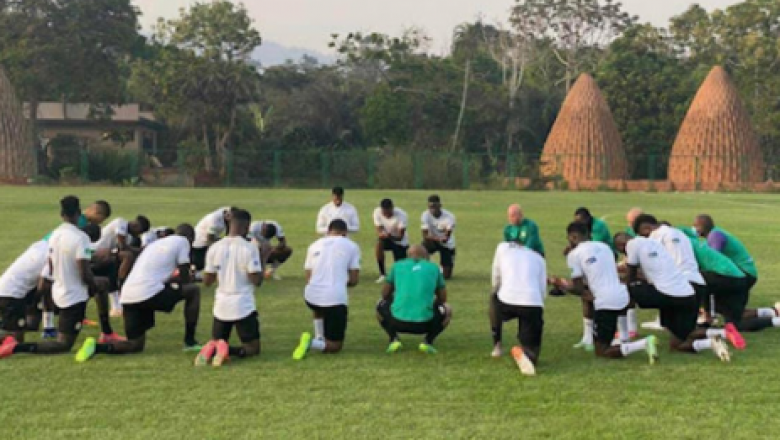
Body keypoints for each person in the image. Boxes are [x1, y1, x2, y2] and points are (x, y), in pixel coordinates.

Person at [0, 196, 117, 358]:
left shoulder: (55, 236)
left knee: (29, 325)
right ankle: (14, 344)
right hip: (16, 294)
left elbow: (47, 277)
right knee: (50, 342)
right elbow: (70, 273)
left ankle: (24, 333)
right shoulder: (76, 239)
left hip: (18, 290)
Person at [73, 224, 202, 362]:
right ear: (190, 238)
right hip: (148, 293)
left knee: (135, 344)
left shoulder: (155, 244)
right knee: (193, 291)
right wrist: (191, 278)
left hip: (128, 296)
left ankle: (96, 347)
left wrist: (173, 281)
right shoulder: (182, 241)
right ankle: (190, 341)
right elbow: (184, 276)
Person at [614, 232, 738, 361]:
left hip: (667, 294)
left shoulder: (632, 244)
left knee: (623, 293)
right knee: (677, 344)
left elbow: (631, 276)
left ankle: (623, 337)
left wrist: (618, 276)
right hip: (688, 295)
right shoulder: (654, 244)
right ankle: (711, 343)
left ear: (622, 245)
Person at [560, 222, 658, 363]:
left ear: (572, 237)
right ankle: (622, 337)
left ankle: (643, 344)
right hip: (623, 296)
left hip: (605, 303)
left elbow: (578, 289)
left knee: (601, 351)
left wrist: (561, 285)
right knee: (604, 331)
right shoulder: (604, 247)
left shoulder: (574, 255)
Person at [195, 209, 263, 367]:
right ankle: (230, 351)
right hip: (242, 304)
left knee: (218, 340)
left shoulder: (214, 247)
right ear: (246, 227)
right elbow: (256, 280)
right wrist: (262, 261)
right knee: (253, 348)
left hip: (221, 306)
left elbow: (207, 281)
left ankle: (212, 349)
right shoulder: (249, 248)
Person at [679, 227, 780, 332]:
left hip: (739, 277)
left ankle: (703, 319)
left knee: (699, 285)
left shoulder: (713, 237)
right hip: (738, 277)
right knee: (734, 322)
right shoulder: (698, 243)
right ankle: (773, 314)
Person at [40, 199, 112, 339]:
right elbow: (77, 249)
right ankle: (49, 324)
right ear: (96, 212)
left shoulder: (69, 225)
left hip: (52, 252)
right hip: (51, 254)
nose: (101, 222)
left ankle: (54, 323)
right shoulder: (81, 225)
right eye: (102, 218)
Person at [292, 220, 360, 360]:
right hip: (334, 299)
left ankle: (319, 335)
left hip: (311, 297)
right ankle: (312, 343)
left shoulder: (314, 245)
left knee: (319, 303)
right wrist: (341, 281)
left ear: (328, 231)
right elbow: (354, 280)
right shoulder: (352, 246)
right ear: (345, 233)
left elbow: (309, 277)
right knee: (336, 347)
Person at [377, 245, 451, 354]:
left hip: (397, 321)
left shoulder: (397, 266)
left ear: (408, 256)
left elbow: (385, 294)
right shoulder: (434, 268)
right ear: (426, 256)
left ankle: (394, 339)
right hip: (425, 323)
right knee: (448, 309)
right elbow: (443, 298)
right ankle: (427, 342)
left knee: (379, 304)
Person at [490, 237, 547, 376]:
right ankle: (527, 353)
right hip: (532, 302)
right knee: (533, 351)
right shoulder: (539, 258)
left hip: (507, 300)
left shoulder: (502, 248)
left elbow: (496, 278)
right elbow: (542, 290)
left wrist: (496, 290)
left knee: (492, 299)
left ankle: (497, 343)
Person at [93, 216, 151, 318]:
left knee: (126, 257)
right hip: (93, 251)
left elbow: (121, 249)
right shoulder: (120, 223)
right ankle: (121, 283)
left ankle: (121, 288)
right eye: (138, 232)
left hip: (107, 254)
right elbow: (122, 246)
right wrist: (141, 250)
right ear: (136, 225)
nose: (137, 235)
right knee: (127, 256)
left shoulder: (128, 237)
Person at [694, 215, 758, 287]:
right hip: (744, 272)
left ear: (703, 227)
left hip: (744, 273)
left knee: (700, 278)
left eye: (696, 226)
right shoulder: (714, 233)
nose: (695, 229)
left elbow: (713, 260)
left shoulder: (715, 236)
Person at [373, 199, 409, 284]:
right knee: (379, 244)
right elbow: (379, 229)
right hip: (386, 239)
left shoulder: (402, 215)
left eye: (388, 212)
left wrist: (390, 236)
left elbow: (400, 237)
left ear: (392, 208)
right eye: (384, 212)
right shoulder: (377, 212)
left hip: (399, 241)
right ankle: (382, 274)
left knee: (400, 268)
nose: (386, 215)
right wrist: (382, 234)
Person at [421, 195, 456, 280]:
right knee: (424, 245)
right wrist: (438, 239)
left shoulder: (449, 217)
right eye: (430, 207)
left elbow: (446, 238)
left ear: (440, 205)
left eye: (435, 207)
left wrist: (439, 238)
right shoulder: (425, 215)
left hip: (447, 245)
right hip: (433, 241)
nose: (433, 209)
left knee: (446, 276)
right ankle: (425, 269)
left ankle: (443, 267)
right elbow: (425, 236)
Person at [191, 207, 233, 272]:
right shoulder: (214, 220)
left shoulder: (227, 212)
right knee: (199, 264)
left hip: (211, 238)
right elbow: (209, 238)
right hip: (200, 242)